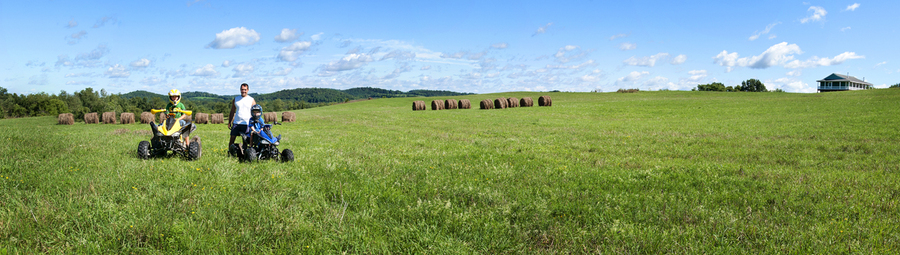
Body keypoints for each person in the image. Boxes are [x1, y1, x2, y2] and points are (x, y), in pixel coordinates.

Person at [228, 83, 256, 149]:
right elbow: (232, 111)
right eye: (242, 89)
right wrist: (229, 122)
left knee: (245, 141)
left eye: (245, 90)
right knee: (232, 139)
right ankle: (230, 152)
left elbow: (255, 113)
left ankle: (245, 154)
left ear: (248, 90)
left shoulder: (251, 100)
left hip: (246, 123)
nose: (243, 91)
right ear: (240, 90)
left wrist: (254, 124)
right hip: (236, 123)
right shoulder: (236, 99)